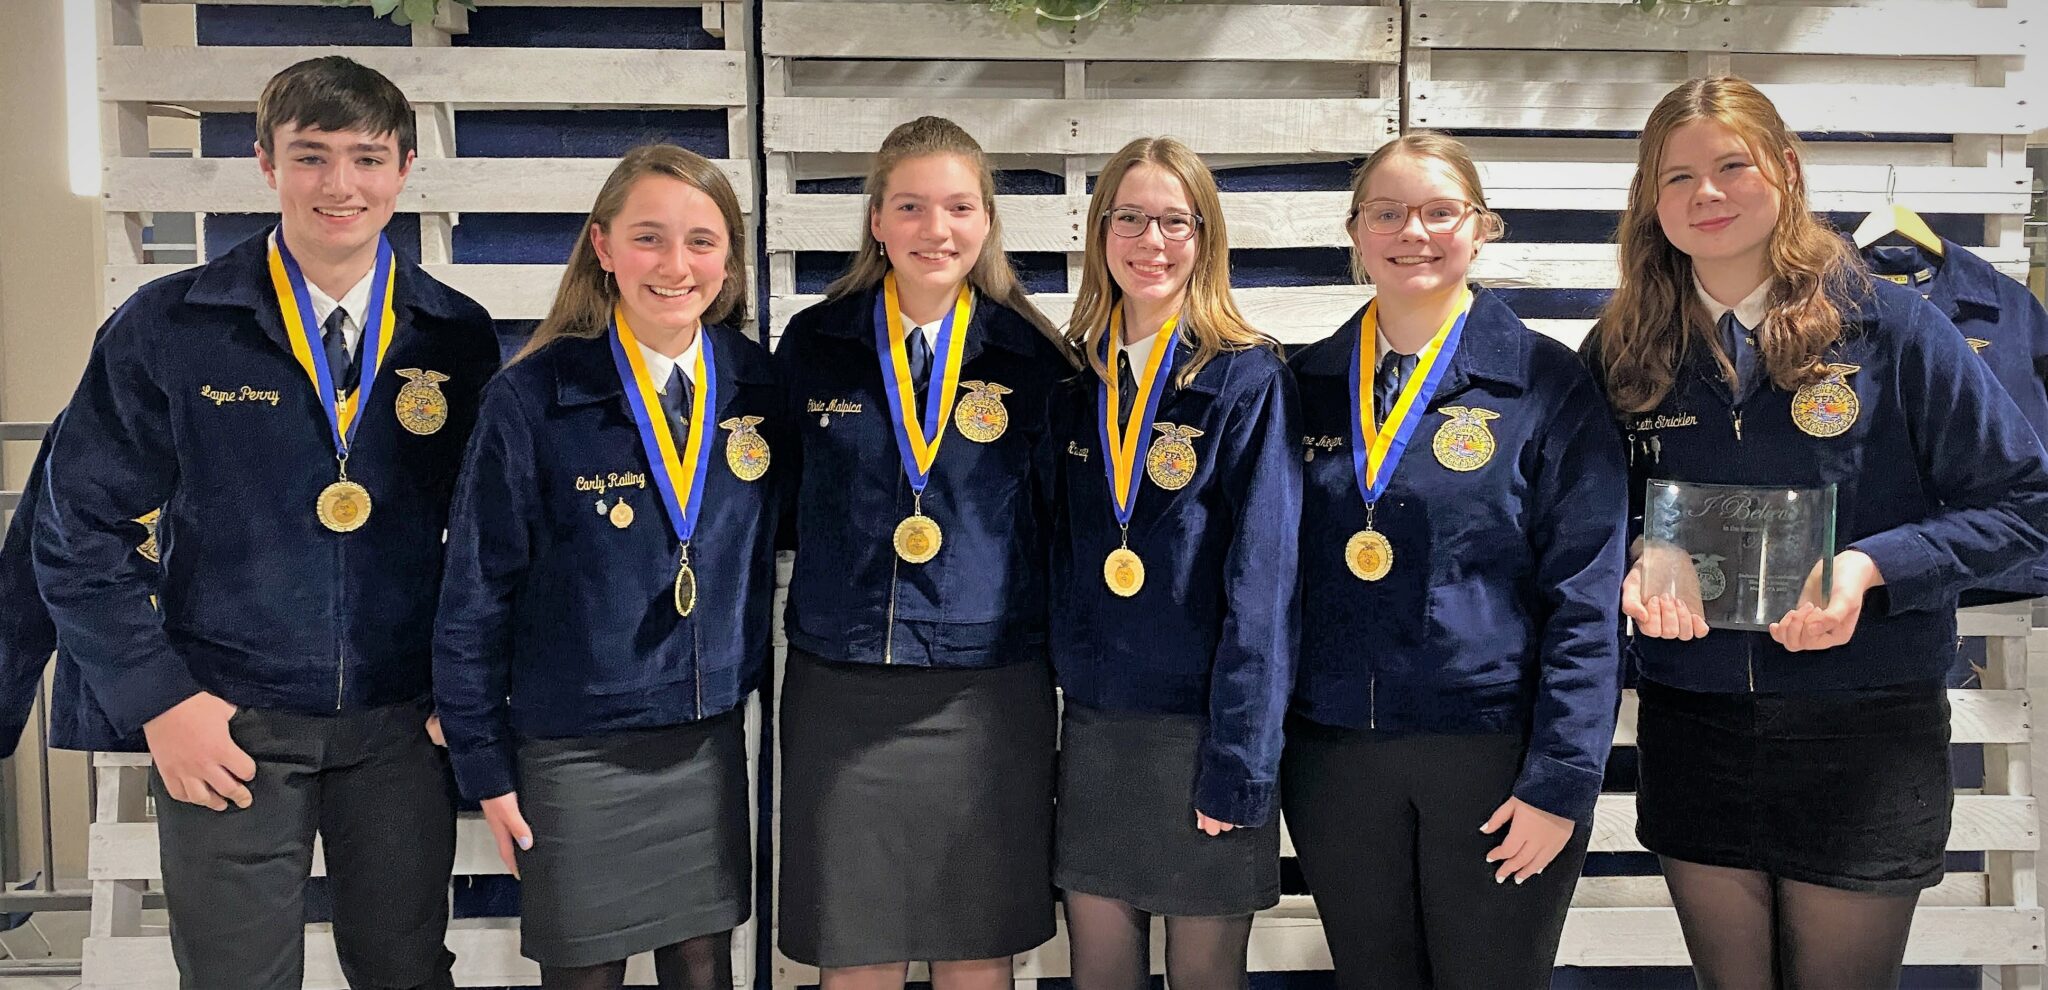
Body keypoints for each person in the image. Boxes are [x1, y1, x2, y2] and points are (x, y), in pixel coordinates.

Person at [30, 56, 499, 989]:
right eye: (311, 156)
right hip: (227, 720)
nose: (340, 185)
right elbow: (77, 527)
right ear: (265, 164)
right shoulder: (173, 324)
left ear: (404, 167)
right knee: (236, 978)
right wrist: (162, 700)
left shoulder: (456, 334)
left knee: (406, 970)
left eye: (366, 158)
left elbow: (486, 540)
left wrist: (466, 686)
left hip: (398, 723)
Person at [1584, 76, 2048, 989]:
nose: (1705, 195)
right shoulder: (1624, 346)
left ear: (1786, 172)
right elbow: (1580, 519)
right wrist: (1643, 550)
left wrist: (1876, 565)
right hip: (1693, 723)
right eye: (1676, 178)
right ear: (1651, 201)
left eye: (1730, 166)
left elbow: (2026, 504)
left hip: (1865, 731)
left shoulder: (1895, 329)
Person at [1281, 132, 1626, 989]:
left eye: (1441, 212)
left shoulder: (1548, 385)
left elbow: (1587, 595)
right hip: (1336, 759)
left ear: (1482, 229)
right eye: (1388, 213)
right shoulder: (1307, 383)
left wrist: (1563, 779)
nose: (1414, 232)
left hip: (1495, 759)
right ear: (1356, 234)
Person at [434, 144, 777, 990]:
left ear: (729, 258)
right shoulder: (534, 398)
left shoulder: (756, 384)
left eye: (701, 241)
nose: (675, 265)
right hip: (573, 751)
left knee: (705, 974)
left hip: (703, 744)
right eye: (649, 238)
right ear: (603, 245)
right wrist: (483, 763)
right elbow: (475, 592)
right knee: (584, 976)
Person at [773, 116, 1074, 989]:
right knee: (855, 952)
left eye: (956, 208)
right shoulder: (816, 345)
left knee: (975, 951)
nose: (933, 230)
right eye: (909, 206)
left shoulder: (1034, 360)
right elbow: (781, 503)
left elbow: (1057, 526)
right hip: (841, 685)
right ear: (876, 221)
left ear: (985, 224)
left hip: (990, 691)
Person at [1047, 135, 1300, 989]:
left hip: (1207, 735)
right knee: (1101, 973)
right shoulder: (1075, 382)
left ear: (1205, 236)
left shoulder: (1247, 379)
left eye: (1173, 221)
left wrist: (1240, 759)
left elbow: (1263, 590)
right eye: (1129, 218)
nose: (1150, 242)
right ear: (1099, 232)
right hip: (1096, 731)